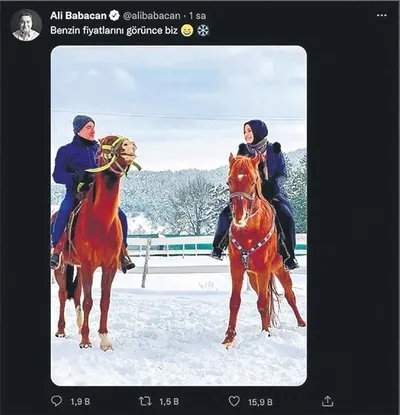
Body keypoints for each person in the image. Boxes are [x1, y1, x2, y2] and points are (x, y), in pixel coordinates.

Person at [209, 119, 299, 271]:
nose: (246, 134)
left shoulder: (274, 149)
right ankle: (218, 246)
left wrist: (274, 185)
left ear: (259, 131)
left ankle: (289, 256)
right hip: (248, 194)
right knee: (225, 213)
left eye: (249, 131)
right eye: (244, 131)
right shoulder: (243, 151)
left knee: (286, 216)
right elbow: (236, 172)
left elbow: (282, 174)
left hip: (272, 193)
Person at [50, 115, 135, 271]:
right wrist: (76, 176)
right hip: (75, 193)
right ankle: (56, 251)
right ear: (78, 130)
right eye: (88, 127)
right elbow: (57, 176)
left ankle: (122, 252)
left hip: (99, 195)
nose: (93, 131)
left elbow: (110, 167)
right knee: (64, 212)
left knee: (121, 216)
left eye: (93, 127)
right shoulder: (66, 151)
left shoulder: (100, 149)